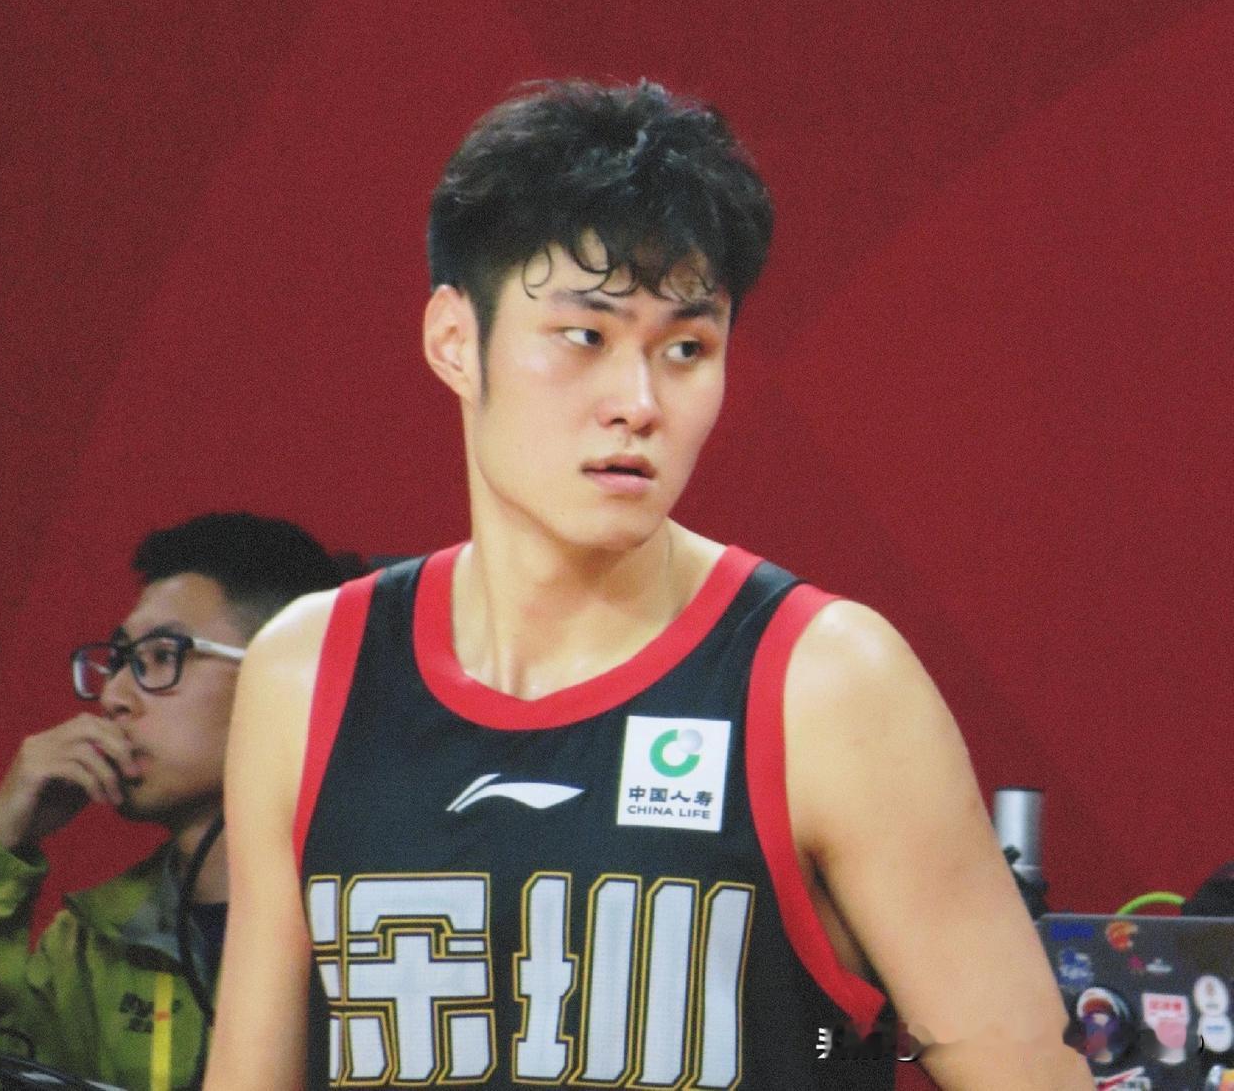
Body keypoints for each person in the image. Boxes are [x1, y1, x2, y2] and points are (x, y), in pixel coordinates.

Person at [205, 81, 1092, 1090]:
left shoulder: (826, 685)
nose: (637, 403)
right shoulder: (308, 674)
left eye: (684, 350)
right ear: (455, 341)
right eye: (584, 337)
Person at [0, 511, 351, 1091]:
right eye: (118, 662)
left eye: (162, 655)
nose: (113, 696)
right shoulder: (93, 945)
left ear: (287, 674)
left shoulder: (384, 915)